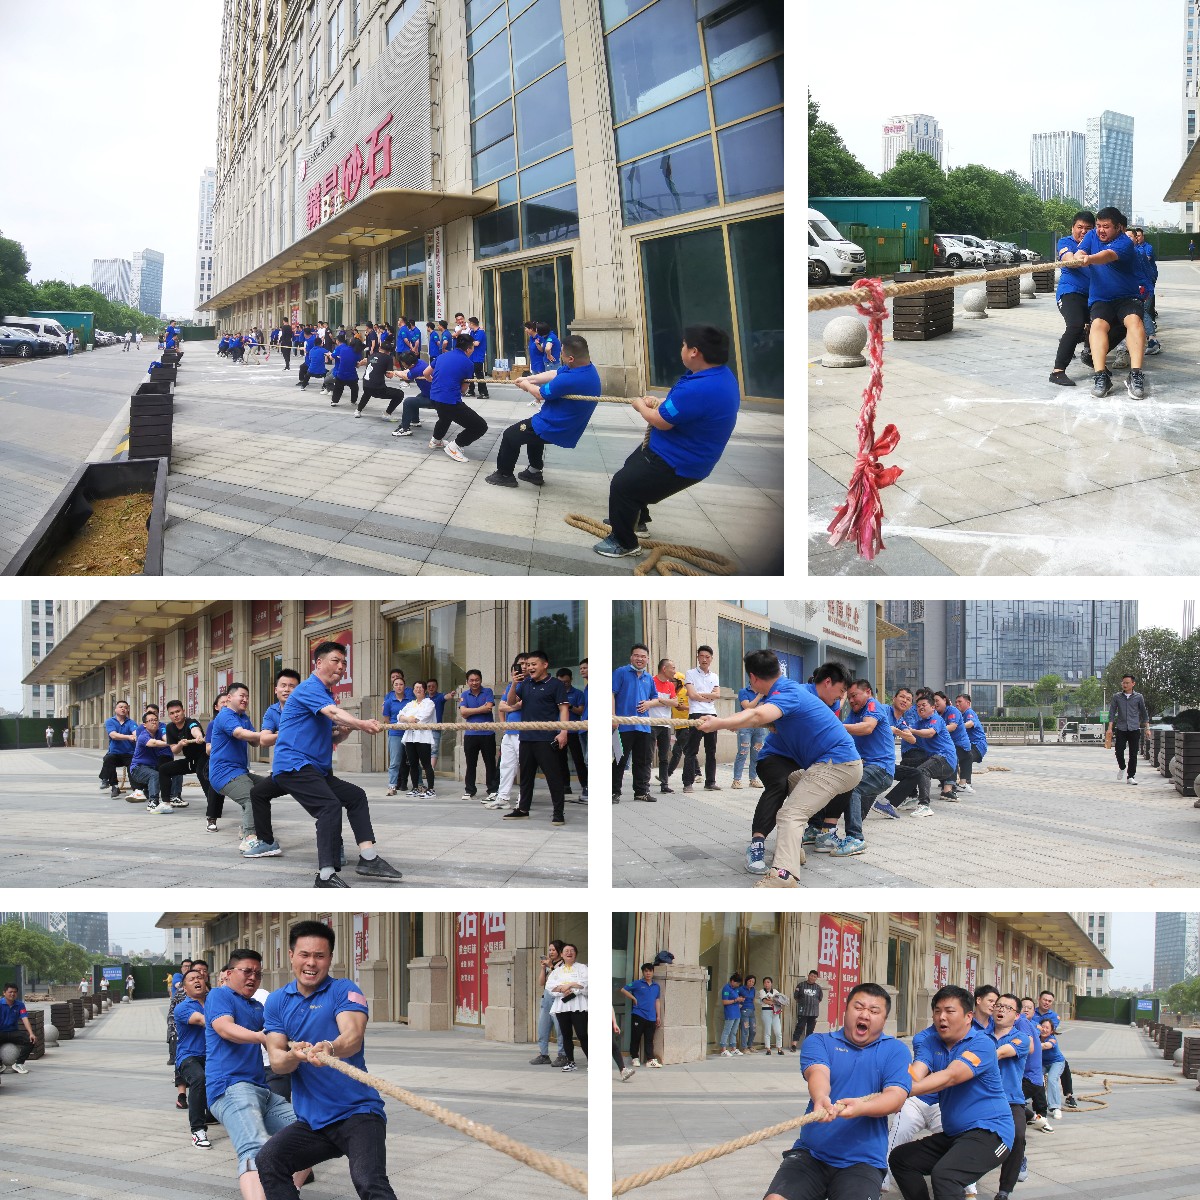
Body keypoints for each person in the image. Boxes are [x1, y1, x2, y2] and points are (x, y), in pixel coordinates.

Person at [257, 922, 398, 1200]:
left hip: (358, 1113)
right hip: (313, 1122)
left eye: (319, 956)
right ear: (291, 955)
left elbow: (353, 1036)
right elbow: (277, 1062)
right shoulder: (277, 1001)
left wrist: (331, 1048)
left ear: (330, 958)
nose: (311, 963)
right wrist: (294, 1056)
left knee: (369, 1181)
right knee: (269, 1160)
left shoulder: (344, 990)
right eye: (304, 954)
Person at [701, 650, 861, 888]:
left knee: (790, 815)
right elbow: (761, 715)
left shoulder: (787, 693)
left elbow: (758, 714)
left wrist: (720, 722)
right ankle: (793, 851)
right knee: (790, 781)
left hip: (837, 764)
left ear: (753, 677)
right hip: (835, 764)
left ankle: (783, 876)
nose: (841, 696)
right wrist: (738, 721)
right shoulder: (789, 690)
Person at [596, 324, 740, 558]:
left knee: (622, 485)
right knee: (631, 468)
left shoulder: (699, 388)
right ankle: (635, 519)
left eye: (683, 345)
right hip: (671, 449)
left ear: (694, 352)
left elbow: (661, 421)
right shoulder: (719, 375)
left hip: (678, 461)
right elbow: (684, 406)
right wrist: (662, 402)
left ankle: (624, 542)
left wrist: (640, 405)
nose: (681, 349)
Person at [270, 641, 402, 887]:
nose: (341, 667)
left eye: (344, 662)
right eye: (336, 661)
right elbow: (333, 713)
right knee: (329, 807)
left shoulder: (324, 694)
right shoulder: (309, 687)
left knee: (355, 796)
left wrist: (344, 732)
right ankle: (325, 875)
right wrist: (361, 723)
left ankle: (368, 858)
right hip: (293, 766)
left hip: (316, 769)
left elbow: (333, 736)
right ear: (319, 663)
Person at [764, 982, 911, 1200]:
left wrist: (862, 1108)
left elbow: (896, 1097)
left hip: (863, 1161)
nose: (865, 1015)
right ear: (846, 1010)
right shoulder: (819, 1042)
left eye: (874, 1011)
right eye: (858, 1007)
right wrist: (821, 1097)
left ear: (884, 1019)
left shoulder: (895, 1050)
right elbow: (818, 1073)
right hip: (811, 1154)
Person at [890, 985, 1014, 1200]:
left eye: (949, 1011)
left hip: (992, 1133)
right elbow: (916, 1072)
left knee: (946, 1176)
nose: (942, 1017)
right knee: (902, 1158)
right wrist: (893, 1084)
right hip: (956, 1135)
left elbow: (951, 1076)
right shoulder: (930, 1042)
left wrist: (899, 1092)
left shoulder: (982, 1044)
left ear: (968, 1016)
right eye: (937, 1011)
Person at [206, 949, 310, 1199]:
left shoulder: (256, 1006)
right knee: (255, 1149)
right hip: (230, 1088)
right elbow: (224, 1028)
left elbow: (280, 1034)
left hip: (261, 1091)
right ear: (229, 973)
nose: (253, 977)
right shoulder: (220, 995)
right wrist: (261, 1037)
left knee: (311, 1133)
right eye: (246, 971)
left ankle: (285, 1193)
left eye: (258, 973)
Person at [485, 334, 602, 488]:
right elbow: (555, 373)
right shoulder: (588, 369)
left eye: (562, 353)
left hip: (555, 425)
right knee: (533, 436)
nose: (560, 356)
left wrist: (527, 386)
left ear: (571, 358)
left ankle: (504, 475)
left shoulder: (570, 379)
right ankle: (533, 472)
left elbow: (540, 394)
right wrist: (529, 379)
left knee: (510, 435)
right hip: (565, 422)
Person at [1063, 206, 1146, 399]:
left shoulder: (1124, 243)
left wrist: (1088, 259)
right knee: (1097, 326)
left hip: (1127, 297)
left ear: (1118, 227)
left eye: (1106, 226)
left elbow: (1107, 256)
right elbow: (1081, 250)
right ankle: (1101, 376)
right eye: (1099, 225)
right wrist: (1078, 257)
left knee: (1134, 322)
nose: (1101, 230)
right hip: (1101, 298)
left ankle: (1135, 375)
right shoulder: (1092, 235)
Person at [502, 649, 570, 825]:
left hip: (546, 738)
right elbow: (510, 703)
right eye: (527, 665)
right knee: (526, 777)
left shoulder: (555, 684)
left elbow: (563, 709)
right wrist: (514, 683)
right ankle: (523, 809)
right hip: (526, 737)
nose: (529, 667)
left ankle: (558, 812)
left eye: (533, 664)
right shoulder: (525, 683)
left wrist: (563, 731)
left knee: (553, 777)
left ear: (545, 665)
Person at [207, 683, 271, 853]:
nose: (245, 699)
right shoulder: (225, 715)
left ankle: (247, 828)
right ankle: (249, 838)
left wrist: (270, 734)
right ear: (229, 697)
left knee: (268, 788)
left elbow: (255, 742)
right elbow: (239, 733)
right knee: (251, 797)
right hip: (223, 773)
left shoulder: (244, 717)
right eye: (241, 695)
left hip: (240, 772)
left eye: (247, 697)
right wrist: (266, 736)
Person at [991, 994, 1032, 1200]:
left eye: (1008, 1008)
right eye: (999, 1005)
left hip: (1011, 1100)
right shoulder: (980, 1035)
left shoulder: (1021, 1038)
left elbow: (1000, 1052)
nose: (1001, 1010)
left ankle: (1004, 1189)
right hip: (984, 1099)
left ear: (1016, 1016)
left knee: (1018, 1136)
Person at [424, 332, 488, 462]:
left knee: (445, 417)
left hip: (434, 397)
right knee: (480, 426)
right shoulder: (468, 363)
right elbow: (463, 390)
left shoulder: (442, 356)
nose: (473, 350)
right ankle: (454, 446)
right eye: (472, 348)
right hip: (449, 401)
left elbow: (425, 373)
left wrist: (435, 382)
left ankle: (436, 440)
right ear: (469, 349)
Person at [1049, 210, 1094, 387]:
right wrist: (1083, 251)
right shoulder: (1065, 242)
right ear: (1072, 228)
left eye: (1088, 228)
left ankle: (1091, 356)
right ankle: (1057, 372)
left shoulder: (1098, 244)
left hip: (1093, 294)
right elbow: (1070, 261)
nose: (1083, 231)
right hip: (1070, 292)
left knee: (1107, 324)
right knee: (1075, 324)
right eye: (1079, 227)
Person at [612, 643, 656, 804]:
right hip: (622, 726)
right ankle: (613, 792)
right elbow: (611, 693)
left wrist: (649, 704)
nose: (640, 659)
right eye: (637, 655)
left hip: (644, 726)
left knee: (643, 760)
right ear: (631, 657)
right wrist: (613, 717)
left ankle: (641, 792)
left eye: (643, 656)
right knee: (619, 760)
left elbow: (655, 698)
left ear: (648, 659)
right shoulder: (620, 672)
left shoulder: (649, 677)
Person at [158, 699, 220, 814]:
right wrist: (180, 744)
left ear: (184, 711)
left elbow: (195, 729)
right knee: (164, 769)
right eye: (172, 713)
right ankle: (166, 803)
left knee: (201, 772)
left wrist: (198, 736)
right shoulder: (170, 728)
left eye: (178, 711)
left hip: (204, 758)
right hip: (190, 760)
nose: (175, 715)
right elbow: (174, 750)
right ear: (169, 715)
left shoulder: (191, 722)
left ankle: (214, 806)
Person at [175, 967, 213, 1147]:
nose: (197, 980)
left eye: (199, 977)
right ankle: (198, 1131)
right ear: (184, 987)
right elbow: (202, 1020)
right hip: (189, 1057)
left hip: (212, 1056)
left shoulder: (214, 1002)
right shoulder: (183, 1007)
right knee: (199, 1078)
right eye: (191, 979)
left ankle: (213, 1114)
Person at [490, 655, 527, 811]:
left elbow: (521, 704)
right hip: (510, 731)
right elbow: (502, 706)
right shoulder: (513, 685)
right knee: (506, 766)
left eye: (526, 664)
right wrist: (514, 706)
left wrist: (513, 706)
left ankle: (523, 800)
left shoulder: (531, 684)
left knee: (525, 767)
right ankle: (503, 797)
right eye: (520, 664)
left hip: (524, 732)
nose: (523, 667)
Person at [682, 645, 721, 793]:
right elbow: (692, 695)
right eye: (702, 656)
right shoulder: (690, 673)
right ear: (698, 657)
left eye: (707, 657)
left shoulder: (714, 676)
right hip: (696, 714)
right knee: (692, 750)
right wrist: (708, 696)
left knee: (711, 750)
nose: (704, 659)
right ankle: (687, 783)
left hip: (711, 714)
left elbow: (717, 695)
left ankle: (710, 782)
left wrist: (700, 695)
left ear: (711, 659)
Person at [457, 670, 499, 801]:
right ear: (467, 682)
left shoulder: (488, 691)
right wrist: (480, 709)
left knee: (490, 763)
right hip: (470, 734)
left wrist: (470, 711)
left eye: (477, 680)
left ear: (481, 680)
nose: (474, 682)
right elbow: (463, 713)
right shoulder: (464, 694)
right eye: (471, 680)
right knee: (470, 764)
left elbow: (488, 708)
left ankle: (492, 790)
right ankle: (470, 790)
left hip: (487, 733)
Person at [545, 943, 587, 1072]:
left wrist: (569, 985)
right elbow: (549, 986)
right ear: (562, 954)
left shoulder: (582, 968)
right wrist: (562, 990)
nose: (569, 952)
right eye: (566, 951)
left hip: (578, 1005)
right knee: (566, 1035)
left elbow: (586, 983)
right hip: (562, 1006)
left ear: (576, 954)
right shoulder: (557, 971)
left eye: (572, 950)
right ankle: (570, 1062)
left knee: (582, 1034)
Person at [130, 709, 178, 815]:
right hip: (138, 768)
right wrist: (171, 743)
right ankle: (153, 802)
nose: (154, 722)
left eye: (155, 720)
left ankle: (173, 797)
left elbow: (166, 737)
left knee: (175, 770)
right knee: (155, 775)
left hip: (152, 767)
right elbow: (154, 743)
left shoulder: (159, 732)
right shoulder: (143, 735)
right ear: (145, 724)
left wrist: (176, 742)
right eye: (150, 720)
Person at [1107, 673, 1149, 785]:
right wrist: (1110, 728)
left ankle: (1131, 776)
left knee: (1133, 754)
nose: (1124, 685)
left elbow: (1144, 713)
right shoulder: (1117, 697)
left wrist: (1147, 728)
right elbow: (1112, 713)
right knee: (1119, 751)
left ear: (1133, 684)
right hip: (1121, 728)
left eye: (1127, 683)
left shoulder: (1138, 697)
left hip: (1134, 729)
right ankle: (1122, 767)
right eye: (1123, 683)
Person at [397, 681, 437, 798]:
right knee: (413, 763)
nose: (418, 690)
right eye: (416, 688)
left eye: (420, 687)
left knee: (426, 764)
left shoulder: (429, 703)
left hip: (423, 737)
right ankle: (415, 788)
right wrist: (408, 719)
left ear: (424, 690)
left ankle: (430, 789)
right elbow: (400, 716)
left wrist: (409, 718)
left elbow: (423, 717)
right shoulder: (410, 704)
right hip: (410, 737)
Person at [530, 940, 566, 1066]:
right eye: (549, 950)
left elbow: (560, 980)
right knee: (542, 1028)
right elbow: (541, 983)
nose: (551, 952)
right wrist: (543, 968)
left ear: (560, 952)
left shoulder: (564, 965)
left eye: (553, 950)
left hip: (558, 999)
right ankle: (544, 1054)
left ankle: (562, 1055)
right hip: (546, 998)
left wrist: (551, 966)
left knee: (560, 1029)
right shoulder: (549, 965)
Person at [620, 963, 662, 1069]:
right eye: (646, 971)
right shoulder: (637, 983)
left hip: (651, 1016)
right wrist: (633, 998)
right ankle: (634, 1057)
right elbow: (623, 989)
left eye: (650, 971)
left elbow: (657, 1000)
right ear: (643, 972)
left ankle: (650, 1060)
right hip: (639, 1014)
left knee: (649, 1039)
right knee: (636, 1037)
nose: (648, 973)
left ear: (653, 972)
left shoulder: (656, 986)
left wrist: (658, 1016)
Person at [933, 691, 974, 797]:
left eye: (937, 700)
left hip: (960, 744)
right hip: (947, 744)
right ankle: (951, 784)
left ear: (944, 700)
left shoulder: (952, 710)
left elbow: (952, 726)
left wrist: (935, 730)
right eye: (933, 701)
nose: (935, 703)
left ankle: (949, 788)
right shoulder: (936, 714)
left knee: (951, 757)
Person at [555, 668, 588, 799]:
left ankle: (585, 785)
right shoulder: (555, 693)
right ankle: (565, 786)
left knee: (578, 760)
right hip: (558, 731)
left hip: (574, 731)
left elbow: (581, 711)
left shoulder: (578, 693)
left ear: (571, 680)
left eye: (566, 682)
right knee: (561, 760)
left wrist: (569, 706)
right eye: (561, 682)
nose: (564, 684)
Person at [648, 658, 679, 794]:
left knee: (664, 756)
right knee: (648, 755)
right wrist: (667, 701)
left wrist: (659, 700)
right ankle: (644, 784)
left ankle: (664, 784)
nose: (675, 671)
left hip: (666, 725)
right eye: (673, 668)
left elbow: (675, 703)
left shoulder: (671, 685)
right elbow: (648, 701)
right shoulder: (651, 681)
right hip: (651, 723)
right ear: (664, 669)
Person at [381, 673, 414, 797]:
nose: (399, 686)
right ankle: (392, 786)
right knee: (394, 762)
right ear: (393, 686)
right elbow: (386, 720)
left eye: (401, 684)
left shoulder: (410, 701)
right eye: (396, 684)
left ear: (404, 686)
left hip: (410, 733)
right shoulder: (389, 702)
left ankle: (419, 785)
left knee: (413, 761)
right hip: (395, 733)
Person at [99, 700, 138, 798]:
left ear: (128, 710)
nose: (123, 709)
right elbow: (113, 735)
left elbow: (136, 733)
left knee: (133, 765)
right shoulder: (110, 721)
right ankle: (114, 787)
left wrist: (135, 736)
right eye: (121, 707)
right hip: (115, 753)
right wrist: (128, 737)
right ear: (115, 709)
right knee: (108, 759)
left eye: (125, 707)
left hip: (129, 753)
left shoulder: (131, 722)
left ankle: (136, 789)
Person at [0, 983, 37, 1075]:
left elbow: (25, 1019)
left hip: (14, 1032)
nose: (13, 994)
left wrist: (31, 1033)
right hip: (1, 1032)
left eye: (15, 992)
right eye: (10, 992)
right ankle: (0, 1064)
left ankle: (19, 1063)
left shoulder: (20, 1005)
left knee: (31, 1040)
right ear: (4, 993)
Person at [954, 694, 987, 791]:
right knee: (957, 756)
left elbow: (971, 723)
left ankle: (965, 783)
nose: (957, 704)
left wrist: (958, 727)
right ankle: (955, 781)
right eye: (956, 702)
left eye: (960, 702)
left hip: (977, 745)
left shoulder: (969, 712)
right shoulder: (960, 715)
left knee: (965, 756)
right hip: (969, 745)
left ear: (968, 703)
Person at [792, 970, 823, 1051]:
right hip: (803, 1011)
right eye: (811, 976)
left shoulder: (818, 988)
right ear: (808, 975)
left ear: (816, 978)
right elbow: (796, 997)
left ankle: (807, 1046)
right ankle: (794, 1045)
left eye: (815, 977)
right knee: (799, 1028)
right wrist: (803, 1003)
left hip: (813, 1012)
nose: (812, 978)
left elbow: (820, 999)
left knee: (810, 1030)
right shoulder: (801, 985)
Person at [328, 332, 361, 408]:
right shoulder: (357, 353)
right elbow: (357, 364)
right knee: (355, 388)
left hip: (341, 374)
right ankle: (353, 401)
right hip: (352, 375)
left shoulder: (343, 349)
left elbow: (335, 357)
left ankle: (334, 401)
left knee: (338, 387)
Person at [759, 977, 788, 1055]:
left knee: (778, 1031)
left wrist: (772, 1000)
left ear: (771, 983)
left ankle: (779, 1048)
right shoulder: (762, 991)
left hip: (775, 1012)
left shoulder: (775, 991)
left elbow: (781, 1000)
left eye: (768, 982)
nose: (766, 984)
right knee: (767, 1031)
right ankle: (768, 1049)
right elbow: (765, 1001)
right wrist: (774, 1000)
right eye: (765, 982)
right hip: (766, 1011)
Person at [718, 973, 744, 1057]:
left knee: (734, 1032)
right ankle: (723, 1049)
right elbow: (724, 1002)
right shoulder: (726, 988)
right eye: (737, 983)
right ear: (732, 981)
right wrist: (736, 1000)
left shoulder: (736, 989)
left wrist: (739, 1001)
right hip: (730, 1012)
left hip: (737, 1012)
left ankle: (733, 1048)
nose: (738, 985)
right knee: (727, 1031)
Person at [465, 315, 490, 399]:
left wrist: (467, 341)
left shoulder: (480, 332)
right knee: (470, 374)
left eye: (469, 323)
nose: (468, 324)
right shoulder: (472, 332)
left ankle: (484, 392)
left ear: (472, 323)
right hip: (471, 357)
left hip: (478, 357)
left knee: (479, 375)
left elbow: (476, 343)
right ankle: (471, 390)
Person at [738, 973, 758, 1054]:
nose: (751, 983)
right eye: (750, 981)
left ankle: (750, 1045)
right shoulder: (741, 989)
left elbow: (753, 999)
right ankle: (744, 1047)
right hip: (744, 1011)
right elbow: (737, 997)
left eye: (753, 982)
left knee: (753, 1029)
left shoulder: (753, 989)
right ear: (746, 981)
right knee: (745, 1029)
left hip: (751, 1011)